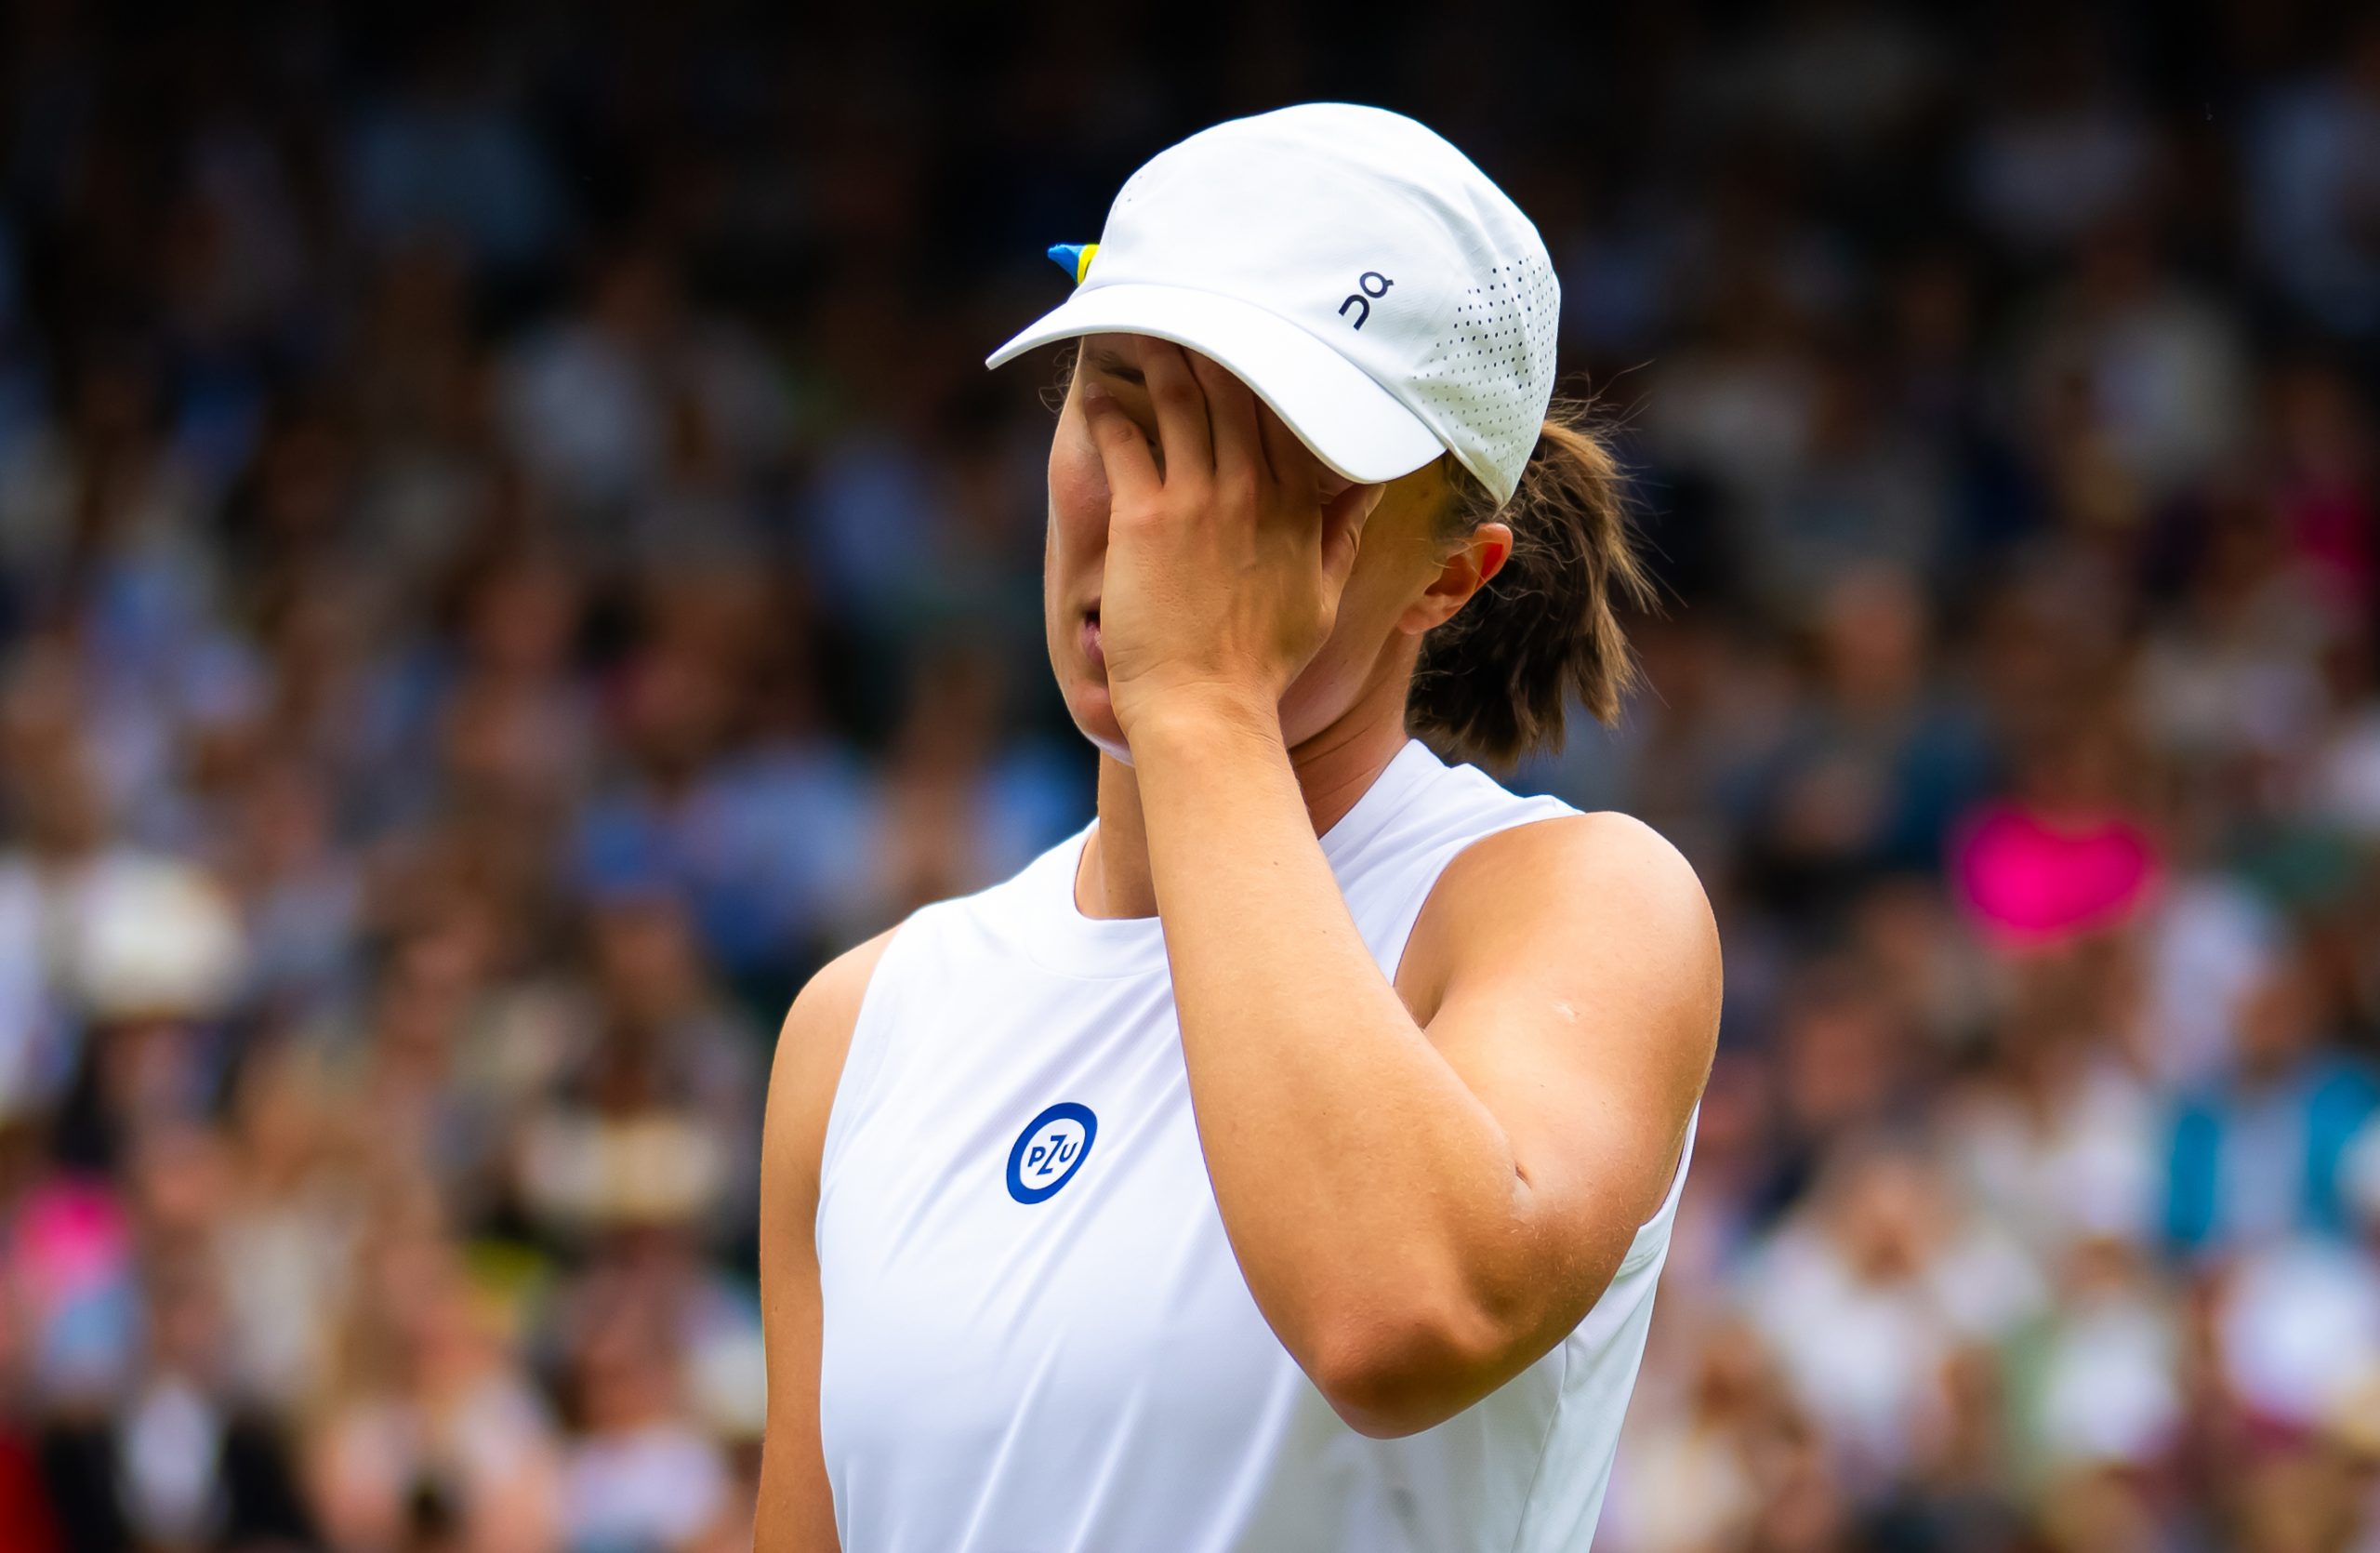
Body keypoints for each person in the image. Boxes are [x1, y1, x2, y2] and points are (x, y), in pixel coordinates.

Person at [754, 103, 1720, 1552]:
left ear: (1450, 576)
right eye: (1132, 417)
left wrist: (1199, 699)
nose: (1164, 529)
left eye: (1268, 468)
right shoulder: (859, 1024)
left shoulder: (1572, 900)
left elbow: (1399, 1314)